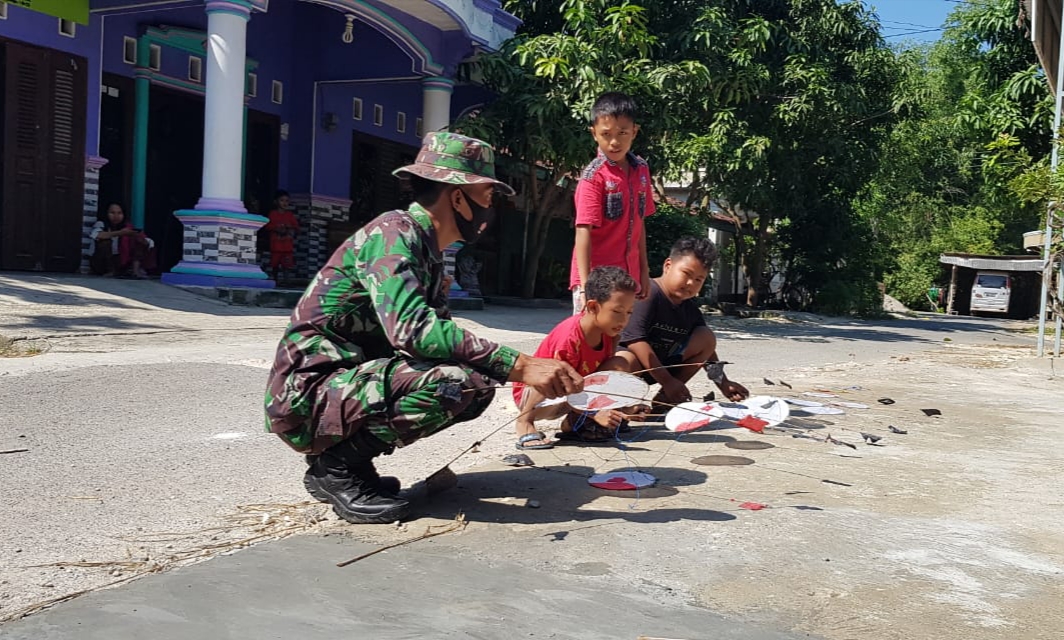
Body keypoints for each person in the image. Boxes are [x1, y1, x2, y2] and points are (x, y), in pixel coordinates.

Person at [264, 132, 584, 525]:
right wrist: (518, 364)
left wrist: (503, 367)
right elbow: (414, 331)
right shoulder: (393, 234)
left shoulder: (427, 253)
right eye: (487, 196)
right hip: (307, 396)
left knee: (476, 382)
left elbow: (436, 343)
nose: (490, 208)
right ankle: (335, 467)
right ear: (457, 196)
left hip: (347, 386)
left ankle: (353, 462)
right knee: (453, 382)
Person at [513, 266, 639, 450]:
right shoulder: (570, 337)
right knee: (555, 371)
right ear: (593, 306)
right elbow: (559, 380)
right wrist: (595, 412)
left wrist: (626, 407)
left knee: (621, 362)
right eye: (618, 312)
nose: (624, 321)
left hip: (574, 394)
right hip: (541, 397)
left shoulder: (610, 333)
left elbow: (602, 379)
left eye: (629, 313)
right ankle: (524, 422)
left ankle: (575, 421)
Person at [614, 237, 749, 407]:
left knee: (706, 337)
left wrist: (723, 383)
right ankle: (625, 404)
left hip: (661, 368)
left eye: (699, 279)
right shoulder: (648, 294)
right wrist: (667, 381)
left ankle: (664, 400)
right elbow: (635, 340)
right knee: (623, 359)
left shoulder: (689, 309)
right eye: (686, 274)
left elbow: (708, 352)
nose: (690, 283)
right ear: (668, 265)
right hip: (632, 369)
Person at [570, 91, 655, 315]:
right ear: (594, 134)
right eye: (606, 134)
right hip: (597, 280)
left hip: (629, 279)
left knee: (620, 340)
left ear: (634, 132)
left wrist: (644, 273)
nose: (614, 141)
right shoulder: (593, 176)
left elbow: (640, 224)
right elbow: (583, 231)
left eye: (622, 133)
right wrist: (586, 287)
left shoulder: (642, 170)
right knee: (588, 342)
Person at [88, 203, 156, 278]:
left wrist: (139, 239)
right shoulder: (101, 224)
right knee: (104, 242)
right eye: (112, 213)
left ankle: (135, 271)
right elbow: (97, 235)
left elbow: (149, 242)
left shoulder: (127, 227)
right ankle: (110, 271)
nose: (116, 216)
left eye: (119, 213)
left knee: (138, 241)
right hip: (101, 262)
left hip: (119, 261)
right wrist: (120, 233)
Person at [265, 190, 299, 282]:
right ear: (276, 202)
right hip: (275, 246)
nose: (284, 203)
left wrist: (290, 229)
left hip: (287, 247)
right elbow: (267, 226)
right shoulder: (272, 214)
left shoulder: (290, 215)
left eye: (287, 201)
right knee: (275, 264)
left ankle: (286, 280)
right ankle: (275, 280)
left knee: (287, 265)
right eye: (282, 200)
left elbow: (296, 227)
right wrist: (276, 228)